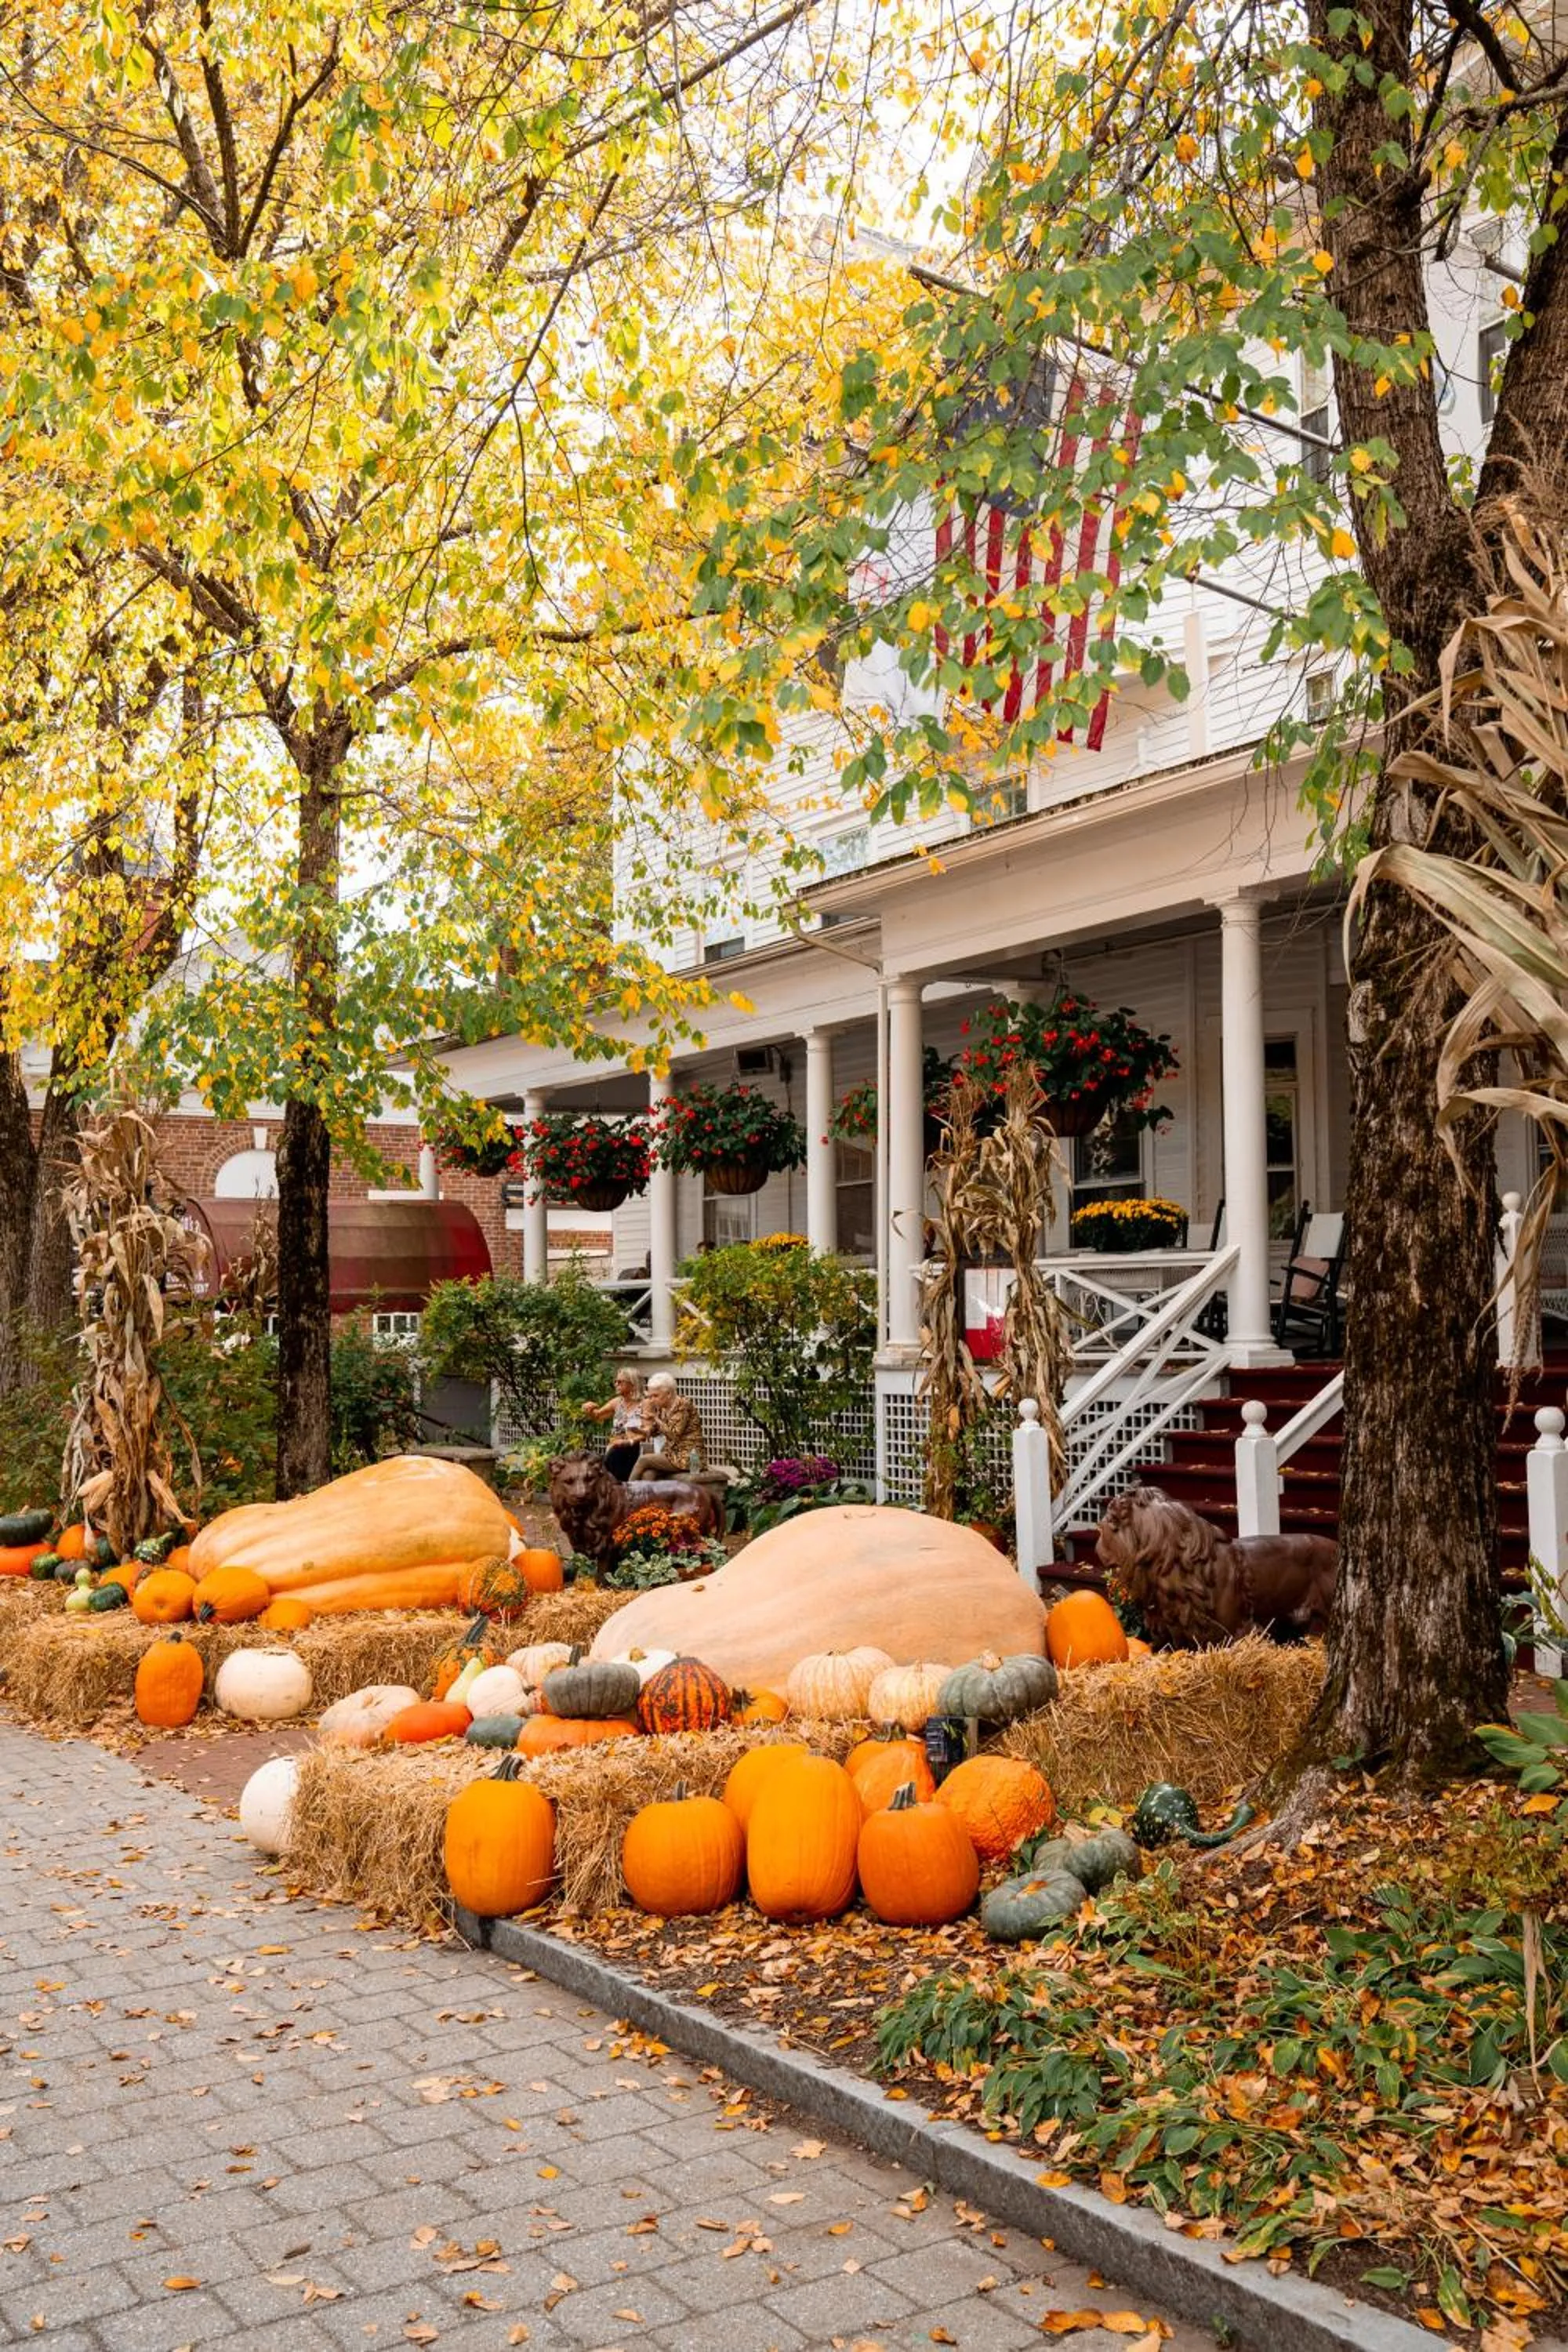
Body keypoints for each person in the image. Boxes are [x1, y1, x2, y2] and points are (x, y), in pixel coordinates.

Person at [627, 1370, 705, 1479]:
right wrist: (639, 1431)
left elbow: (674, 1434)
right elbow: (657, 1431)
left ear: (669, 1394)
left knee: (643, 1460)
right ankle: (646, 1496)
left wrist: (655, 1418)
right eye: (650, 1396)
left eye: (655, 1396)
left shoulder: (683, 1405)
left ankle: (626, 1492)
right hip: (672, 1454)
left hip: (689, 1457)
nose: (652, 1400)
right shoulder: (662, 1407)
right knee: (648, 1474)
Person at [580, 1367, 647, 1481]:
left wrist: (628, 1441)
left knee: (616, 1454)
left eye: (620, 1382)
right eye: (615, 1381)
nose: (616, 1384)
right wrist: (589, 1409)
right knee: (613, 1452)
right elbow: (598, 1416)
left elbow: (646, 1431)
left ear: (633, 1384)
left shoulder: (644, 1404)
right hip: (614, 1449)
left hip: (632, 1449)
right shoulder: (617, 1402)